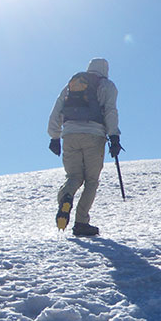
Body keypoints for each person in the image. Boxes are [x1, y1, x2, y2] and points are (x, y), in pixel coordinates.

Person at [47, 57, 121, 236]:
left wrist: (54, 137)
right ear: (105, 69)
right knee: (91, 180)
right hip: (93, 136)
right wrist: (114, 137)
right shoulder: (107, 85)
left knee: (73, 176)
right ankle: (81, 223)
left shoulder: (72, 84)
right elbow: (110, 111)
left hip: (70, 135)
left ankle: (66, 197)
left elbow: (57, 109)